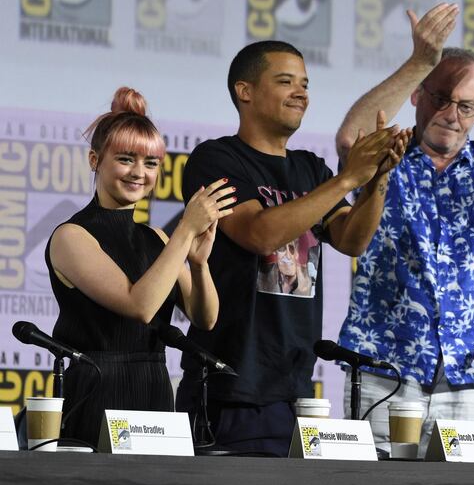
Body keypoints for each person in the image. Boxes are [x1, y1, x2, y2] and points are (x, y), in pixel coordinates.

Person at [175, 40, 410, 456]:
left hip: (296, 389)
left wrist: (376, 179)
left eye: (305, 83)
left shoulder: (310, 168)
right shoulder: (215, 159)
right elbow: (258, 234)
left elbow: (352, 240)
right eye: (286, 82)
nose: (301, 92)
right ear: (244, 91)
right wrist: (347, 180)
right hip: (231, 386)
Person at [336, 4, 474, 456]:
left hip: (464, 375)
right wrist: (420, 62)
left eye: (466, 105)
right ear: (417, 95)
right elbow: (349, 141)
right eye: (441, 97)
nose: (451, 113)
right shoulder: (388, 149)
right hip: (384, 363)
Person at [46, 87, 234, 447]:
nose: (139, 173)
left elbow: (205, 318)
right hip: (97, 390)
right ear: (94, 160)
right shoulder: (72, 236)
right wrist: (185, 230)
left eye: (150, 163)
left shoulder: (157, 239)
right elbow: (141, 306)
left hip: (155, 389)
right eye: (126, 159)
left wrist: (198, 263)